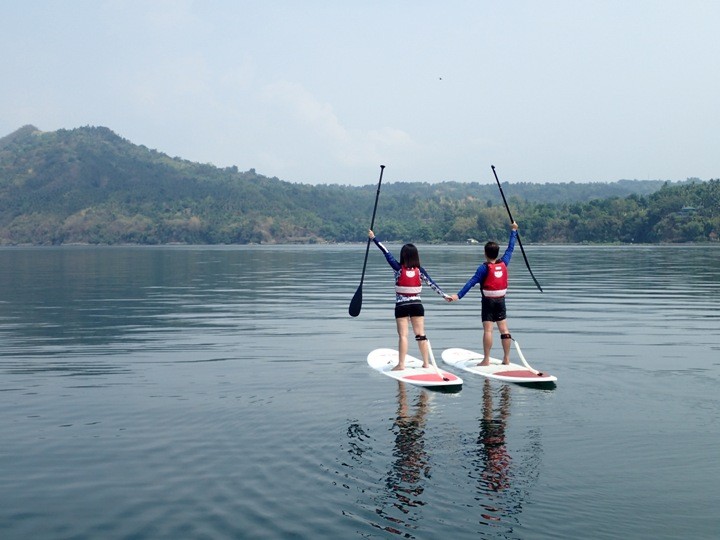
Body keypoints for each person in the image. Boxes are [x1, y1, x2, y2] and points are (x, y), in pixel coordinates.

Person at [369, 230, 449, 371]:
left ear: (403, 255)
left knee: (403, 336)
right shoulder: (420, 270)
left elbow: (386, 252)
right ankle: (425, 362)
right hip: (417, 306)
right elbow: (432, 284)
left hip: (401, 306)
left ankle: (401, 365)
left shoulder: (398, 268)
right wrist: (444, 295)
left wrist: (374, 238)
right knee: (420, 335)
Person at [447, 222, 519, 366]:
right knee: (504, 329)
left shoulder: (483, 268)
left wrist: (458, 296)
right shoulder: (504, 263)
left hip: (488, 302)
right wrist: (514, 231)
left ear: (485, 253)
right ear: (497, 253)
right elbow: (510, 248)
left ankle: (486, 360)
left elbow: (471, 282)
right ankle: (506, 359)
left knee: (488, 330)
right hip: (501, 300)